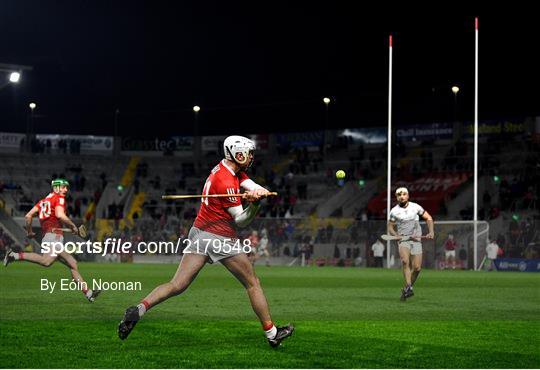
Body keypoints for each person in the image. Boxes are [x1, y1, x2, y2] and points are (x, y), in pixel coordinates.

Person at [117, 136, 293, 347]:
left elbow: (248, 182)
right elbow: (241, 220)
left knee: (177, 285)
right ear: (238, 154)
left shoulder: (224, 168)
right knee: (253, 283)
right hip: (219, 237)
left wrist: (258, 190)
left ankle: (138, 309)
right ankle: (272, 334)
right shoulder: (226, 181)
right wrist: (254, 205)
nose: (252, 157)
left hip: (199, 233)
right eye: (250, 153)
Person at [3, 179, 100, 302]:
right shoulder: (59, 198)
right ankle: (14, 255)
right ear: (56, 188)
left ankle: (89, 294)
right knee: (46, 261)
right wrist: (72, 226)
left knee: (73, 264)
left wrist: (29, 232)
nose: (66, 190)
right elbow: (60, 215)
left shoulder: (42, 202)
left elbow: (28, 216)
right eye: (63, 187)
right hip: (54, 238)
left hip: (50, 237)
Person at [387, 187, 434, 301]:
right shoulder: (394, 211)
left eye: (404, 194)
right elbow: (390, 226)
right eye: (399, 195)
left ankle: (406, 289)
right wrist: (396, 234)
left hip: (416, 239)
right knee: (404, 261)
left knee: (417, 268)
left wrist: (431, 231)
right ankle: (409, 287)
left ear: (408, 196)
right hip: (404, 239)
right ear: (396, 197)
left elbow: (428, 218)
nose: (402, 196)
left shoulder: (415, 207)